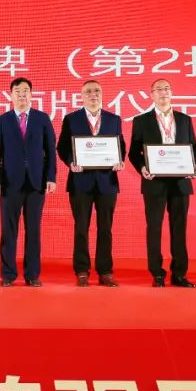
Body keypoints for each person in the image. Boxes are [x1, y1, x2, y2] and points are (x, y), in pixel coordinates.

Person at [128, 78, 196, 287]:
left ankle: (179, 274)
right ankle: (157, 273)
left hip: (180, 182)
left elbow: (193, 147)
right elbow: (133, 152)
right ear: (152, 95)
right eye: (158, 89)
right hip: (154, 182)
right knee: (154, 227)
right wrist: (142, 167)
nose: (163, 92)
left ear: (172, 92)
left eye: (167, 88)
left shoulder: (185, 119)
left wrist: (195, 166)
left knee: (179, 228)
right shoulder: (141, 120)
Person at [56, 79, 127, 287]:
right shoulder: (71, 119)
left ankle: (105, 271)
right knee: (81, 228)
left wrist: (119, 160)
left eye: (97, 91)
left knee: (106, 228)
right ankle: (82, 270)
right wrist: (71, 162)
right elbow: (62, 147)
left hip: (107, 181)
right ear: (82, 96)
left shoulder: (114, 119)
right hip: (80, 181)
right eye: (88, 91)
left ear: (102, 94)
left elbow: (121, 145)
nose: (93, 94)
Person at [0, 77, 57, 287]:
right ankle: (8, 275)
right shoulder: (3, 120)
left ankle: (32, 274)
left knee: (33, 230)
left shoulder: (42, 118)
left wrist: (51, 177)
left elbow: (50, 150)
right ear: (11, 95)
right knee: (8, 231)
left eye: (25, 90)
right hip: (10, 182)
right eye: (17, 91)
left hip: (37, 182)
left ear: (31, 94)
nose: (22, 94)